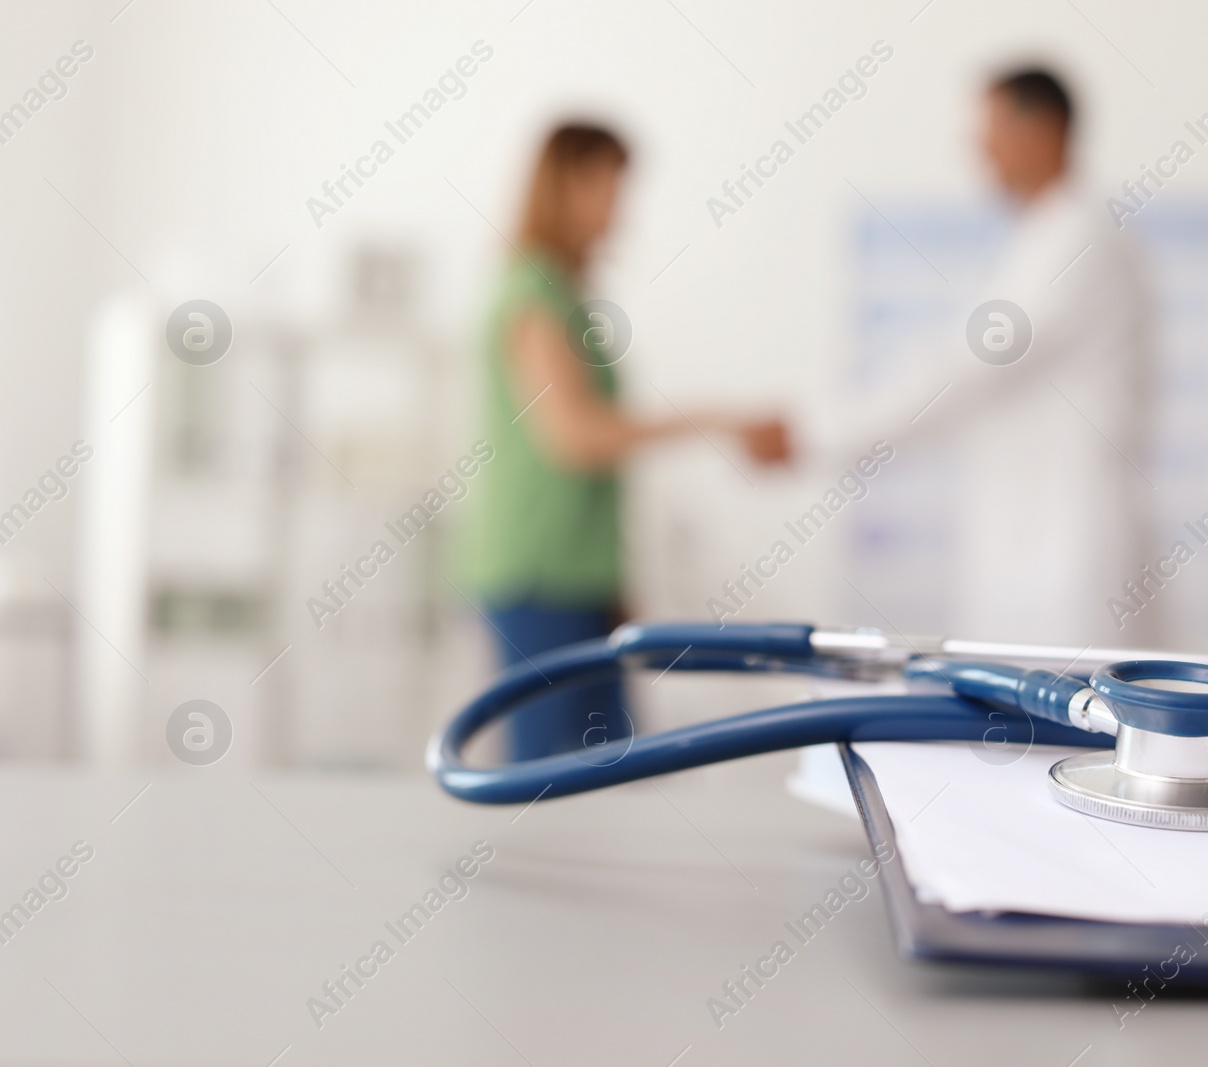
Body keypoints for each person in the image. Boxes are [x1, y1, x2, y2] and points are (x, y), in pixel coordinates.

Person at [462, 123, 788, 761]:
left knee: (609, 764)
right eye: (610, 185)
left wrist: (612, 578)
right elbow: (575, 438)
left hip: (580, 577)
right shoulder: (531, 293)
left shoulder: (568, 296)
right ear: (567, 186)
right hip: (537, 574)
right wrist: (715, 420)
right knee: (552, 775)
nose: (619, 206)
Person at [818, 67, 1150, 646]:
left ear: (1044, 133)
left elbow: (965, 371)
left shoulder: (1079, 242)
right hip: (1029, 543)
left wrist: (812, 432)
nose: (978, 147)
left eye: (990, 129)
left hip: (1067, 550)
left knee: (1074, 724)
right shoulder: (1039, 240)